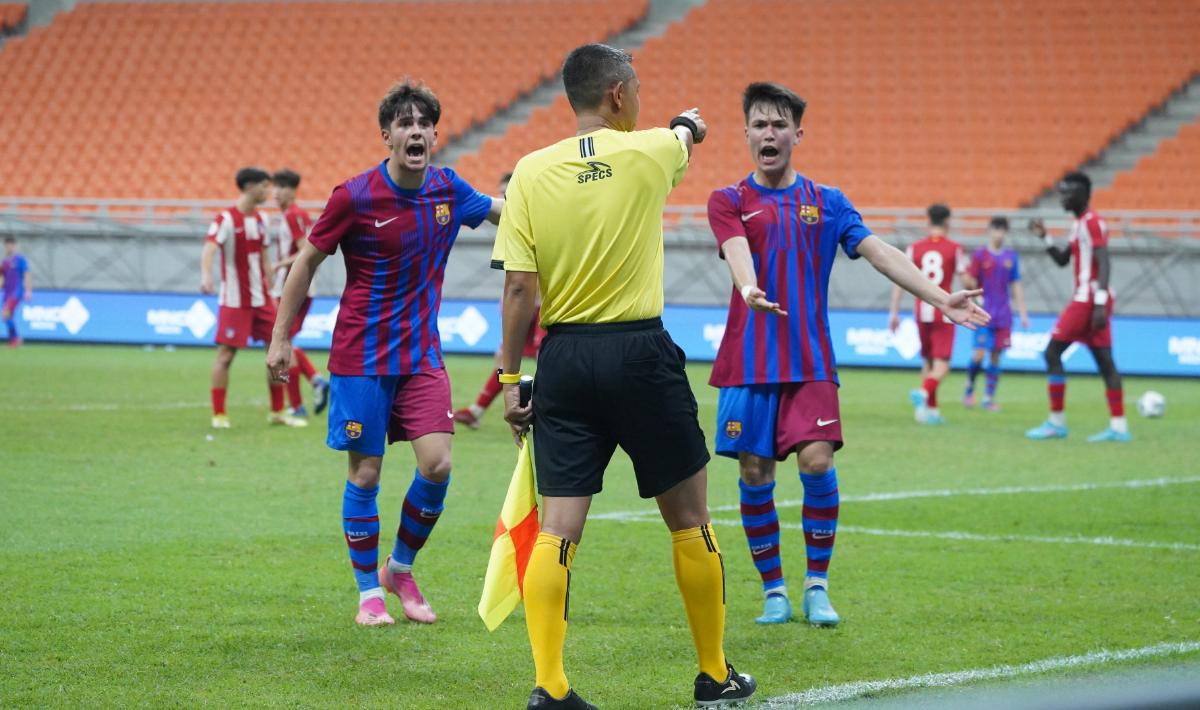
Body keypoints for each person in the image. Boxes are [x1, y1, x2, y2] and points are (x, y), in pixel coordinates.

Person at [497, 43, 756, 710]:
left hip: (565, 358)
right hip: (639, 351)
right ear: (617, 96)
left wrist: (509, 380)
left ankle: (550, 686)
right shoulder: (648, 150)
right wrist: (688, 126)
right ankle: (713, 673)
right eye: (634, 87)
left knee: (558, 528)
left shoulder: (528, 171)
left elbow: (520, 289)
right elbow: (682, 136)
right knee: (690, 520)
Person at [707, 83, 989, 628]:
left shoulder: (827, 202)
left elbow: (879, 251)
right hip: (749, 360)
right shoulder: (730, 200)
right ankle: (774, 593)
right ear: (746, 134)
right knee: (754, 470)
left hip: (810, 358)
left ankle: (816, 585)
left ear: (797, 135)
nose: (769, 133)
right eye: (760, 125)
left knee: (817, 461)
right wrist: (748, 288)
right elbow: (737, 249)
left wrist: (939, 297)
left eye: (779, 125)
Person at [266, 80, 503, 627]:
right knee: (366, 474)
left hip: (421, 355)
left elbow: (502, 211)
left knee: (438, 464)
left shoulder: (447, 188)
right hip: (361, 356)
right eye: (404, 123)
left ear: (435, 135)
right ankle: (368, 593)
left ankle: (401, 567)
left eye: (424, 123)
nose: (415, 130)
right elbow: (305, 263)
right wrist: (282, 338)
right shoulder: (354, 195)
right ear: (387, 135)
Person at [1025, 172, 1129, 442]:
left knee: (1051, 353)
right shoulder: (1078, 224)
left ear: (1083, 194)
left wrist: (1099, 303)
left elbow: (1104, 262)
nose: (1062, 197)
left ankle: (1057, 423)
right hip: (1091, 299)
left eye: (1067, 192)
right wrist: (1045, 238)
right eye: (1061, 192)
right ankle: (1119, 427)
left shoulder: (1093, 223)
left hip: (1088, 299)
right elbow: (1062, 260)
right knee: (1105, 362)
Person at [200, 167, 302, 429]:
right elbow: (210, 249)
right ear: (248, 186)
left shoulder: (262, 220)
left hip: (262, 300)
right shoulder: (226, 219)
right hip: (234, 301)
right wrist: (206, 276)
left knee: (278, 351)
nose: (268, 192)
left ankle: (278, 411)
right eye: (264, 187)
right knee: (225, 356)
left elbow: (265, 257)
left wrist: (271, 284)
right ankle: (219, 414)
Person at [452, 171, 547, 430]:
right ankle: (475, 410)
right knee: (505, 360)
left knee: (548, 361)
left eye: (509, 194)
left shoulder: (542, 221)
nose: (504, 200)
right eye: (502, 195)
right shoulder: (509, 226)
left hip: (547, 305)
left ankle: (554, 414)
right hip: (525, 304)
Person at [888, 203, 967, 424]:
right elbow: (967, 278)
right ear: (947, 221)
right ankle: (924, 392)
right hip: (944, 310)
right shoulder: (955, 248)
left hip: (921, 311)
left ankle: (928, 412)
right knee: (943, 364)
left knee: (928, 362)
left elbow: (899, 280)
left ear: (928, 220)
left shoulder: (915, 248)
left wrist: (893, 312)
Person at [270, 168, 330, 418]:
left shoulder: (293, 214)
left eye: (279, 188)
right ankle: (315, 382)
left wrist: (278, 265)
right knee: (288, 344)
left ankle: (296, 405)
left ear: (290, 190)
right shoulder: (296, 214)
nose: (275, 194)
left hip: (293, 288)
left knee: (284, 344)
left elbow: (303, 251)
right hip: (296, 287)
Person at [961, 216, 1029, 411]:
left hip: (1003, 314)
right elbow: (970, 282)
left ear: (1005, 232)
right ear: (989, 231)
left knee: (996, 356)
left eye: (1002, 229)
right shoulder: (980, 255)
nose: (999, 233)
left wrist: (1023, 313)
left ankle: (988, 398)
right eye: (996, 229)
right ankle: (969, 388)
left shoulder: (1010, 257)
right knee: (979, 355)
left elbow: (1016, 285)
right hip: (983, 312)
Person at [1, 236, 31, 347]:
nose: (9, 248)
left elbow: (27, 274)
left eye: (11, 245)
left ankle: (15, 339)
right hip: (6, 293)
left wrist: (28, 290)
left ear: (15, 246)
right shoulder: (4, 262)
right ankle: (13, 340)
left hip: (16, 292)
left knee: (6, 314)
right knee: (7, 317)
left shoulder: (20, 259)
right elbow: (2, 278)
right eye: (7, 246)